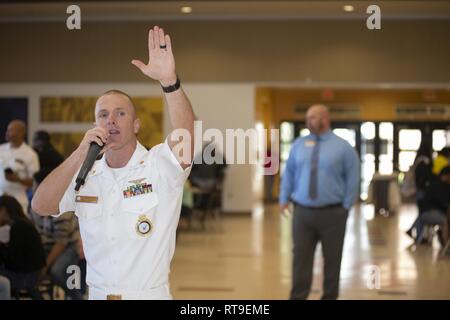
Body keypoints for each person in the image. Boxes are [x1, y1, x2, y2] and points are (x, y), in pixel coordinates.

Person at [32, 26, 194, 300]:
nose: (111, 120)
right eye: (103, 115)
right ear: (95, 124)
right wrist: (80, 152)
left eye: (120, 113)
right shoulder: (86, 175)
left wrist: (170, 82)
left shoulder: (157, 166)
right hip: (97, 294)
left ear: (136, 124)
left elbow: (185, 139)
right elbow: (41, 205)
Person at [279, 104, 359, 300]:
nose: (309, 121)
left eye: (313, 117)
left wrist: (346, 206)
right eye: (308, 118)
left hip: (333, 213)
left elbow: (353, 177)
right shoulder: (298, 144)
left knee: (332, 260)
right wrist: (284, 198)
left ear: (325, 118)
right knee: (300, 259)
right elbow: (289, 173)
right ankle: (298, 297)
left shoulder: (343, 147)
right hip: (303, 212)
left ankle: (330, 297)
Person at [0, 195, 46, 299]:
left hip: (26, 277)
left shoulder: (18, 227)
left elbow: (14, 263)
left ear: (3, 210)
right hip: (32, 275)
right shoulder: (23, 224)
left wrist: (2, 248)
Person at [0, 120, 40, 214]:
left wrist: (18, 179)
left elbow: (35, 181)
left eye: (10, 130)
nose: (7, 133)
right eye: (7, 130)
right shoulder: (1, 149)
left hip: (18, 199)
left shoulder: (30, 154)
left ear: (21, 133)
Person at [415, 166, 450, 249]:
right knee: (445, 221)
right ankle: (446, 246)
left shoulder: (437, 183)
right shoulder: (438, 185)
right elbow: (444, 202)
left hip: (429, 211)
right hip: (429, 212)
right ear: (446, 176)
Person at [405, 141, 433, 240]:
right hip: (422, 191)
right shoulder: (425, 161)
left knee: (422, 212)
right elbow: (426, 177)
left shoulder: (418, 160)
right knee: (423, 212)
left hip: (419, 190)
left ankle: (417, 233)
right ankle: (418, 235)